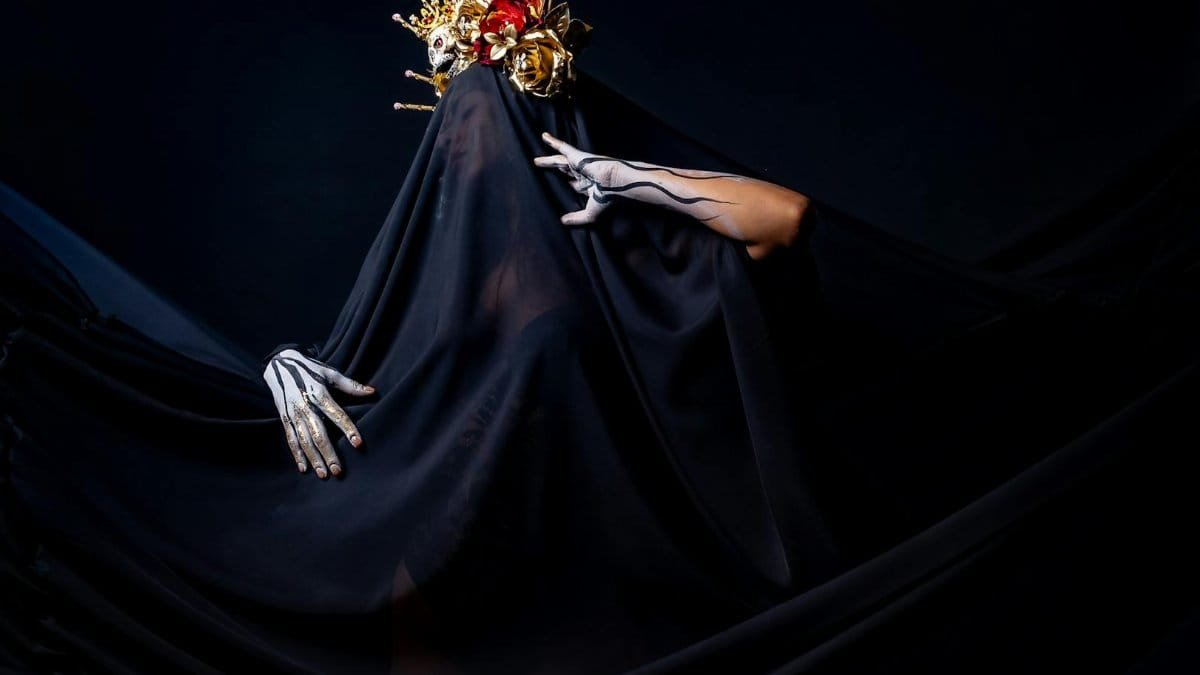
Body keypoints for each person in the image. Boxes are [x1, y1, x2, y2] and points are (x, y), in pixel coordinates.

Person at [3, 1, 1199, 673]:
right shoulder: (443, 311)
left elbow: (785, 219)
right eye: (462, 150)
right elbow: (382, 493)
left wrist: (626, 175)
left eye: (504, 143)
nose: (486, 171)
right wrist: (273, 376)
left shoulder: (638, 258)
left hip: (679, 605)